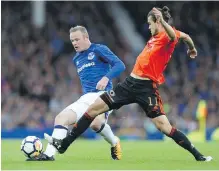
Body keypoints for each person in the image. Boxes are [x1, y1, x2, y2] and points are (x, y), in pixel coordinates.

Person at [46, 7, 213, 162]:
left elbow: (175, 36)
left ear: (158, 22)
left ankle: (198, 155)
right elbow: (186, 37)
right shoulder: (157, 37)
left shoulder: (167, 37)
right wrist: (191, 48)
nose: (148, 27)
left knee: (164, 127)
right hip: (129, 84)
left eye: (150, 24)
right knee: (92, 110)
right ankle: (64, 144)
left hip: (147, 89)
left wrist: (163, 22)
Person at [28, 25, 125, 161]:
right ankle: (49, 155)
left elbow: (120, 65)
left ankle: (114, 142)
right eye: (72, 40)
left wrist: (106, 77)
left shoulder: (99, 49)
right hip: (86, 98)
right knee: (60, 118)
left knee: (95, 123)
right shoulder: (76, 59)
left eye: (77, 40)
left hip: (104, 95)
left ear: (86, 37)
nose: (74, 43)